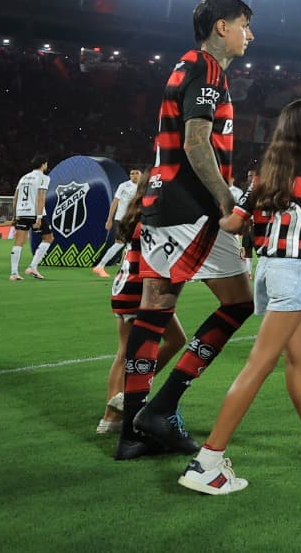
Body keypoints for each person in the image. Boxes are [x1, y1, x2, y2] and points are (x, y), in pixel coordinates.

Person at [179, 99, 301, 494]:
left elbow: (235, 223)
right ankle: (208, 461)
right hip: (295, 270)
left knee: (297, 356)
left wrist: (208, 209)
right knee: (258, 365)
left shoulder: (266, 171)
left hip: (268, 272)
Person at [115, 0, 256, 462]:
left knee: (154, 308)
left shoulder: (183, 65)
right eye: (243, 25)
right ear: (222, 27)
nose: (248, 35)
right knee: (239, 302)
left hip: (160, 203)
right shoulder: (208, 70)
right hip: (191, 209)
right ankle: (163, 405)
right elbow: (198, 142)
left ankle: (134, 428)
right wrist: (225, 199)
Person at [101, 177, 187, 436]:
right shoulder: (154, 217)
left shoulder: (136, 213)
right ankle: (122, 402)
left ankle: (114, 414)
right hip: (139, 289)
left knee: (127, 352)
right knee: (169, 342)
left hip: (124, 286)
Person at [93, 168, 144, 277]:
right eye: (132, 173)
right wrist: (109, 219)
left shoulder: (143, 188)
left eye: (136, 173)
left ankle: (128, 268)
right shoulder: (124, 186)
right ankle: (100, 266)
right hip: (123, 219)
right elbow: (115, 202)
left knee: (133, 244)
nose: (134, 175)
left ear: (141, 175)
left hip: (135, 220)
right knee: (120, 243)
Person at [10, 155, 54, 280]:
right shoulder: (44, 178)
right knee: (48, 238)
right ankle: (32, 266)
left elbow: (15, 197)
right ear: (43, 165)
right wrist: (39, 217)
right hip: (34, 213)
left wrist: (14, 215)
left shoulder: (23, 177)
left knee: (18, 242)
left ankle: (14, 273)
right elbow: (41, 197)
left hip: (21, 212)